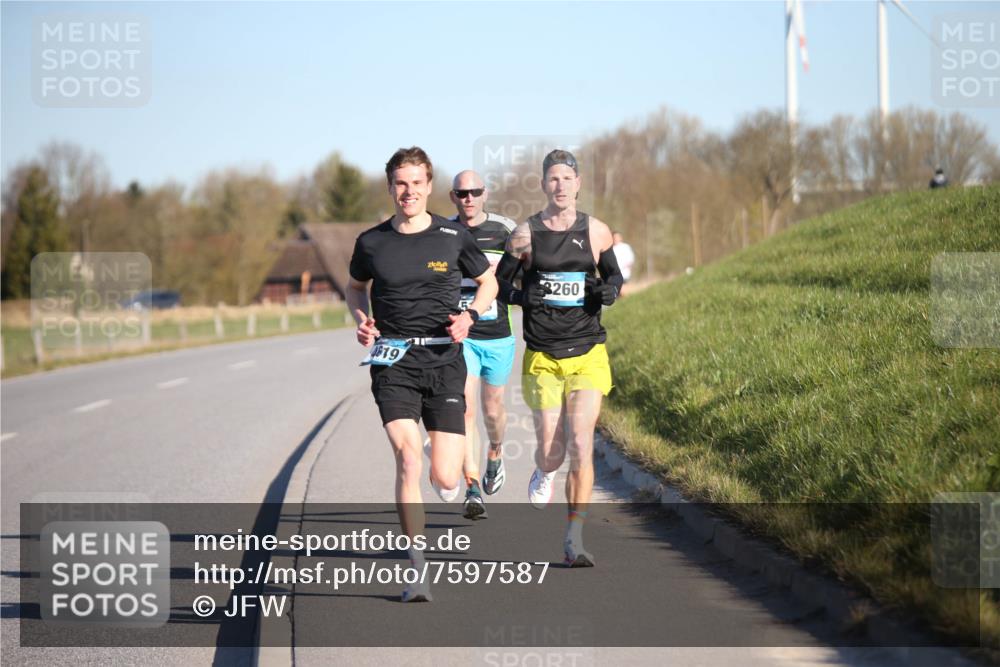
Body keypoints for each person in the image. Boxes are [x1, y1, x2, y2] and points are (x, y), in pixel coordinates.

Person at [346, 147, 497, 601]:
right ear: (390, 187)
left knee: (447, 479)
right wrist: (362, 320)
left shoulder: (452, 236)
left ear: (429, 186)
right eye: (400, 183)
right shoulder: (371, 242)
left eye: (416, 183)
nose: (408, 191)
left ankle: (441, 457)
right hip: (392, 361)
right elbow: (355, 288)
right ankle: (417, 570)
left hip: (444, 360)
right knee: (408, 460)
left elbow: (488, 282)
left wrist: (470, 315)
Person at [495, 149, 622, 567]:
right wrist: (522, 296)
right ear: (543, 184)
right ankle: (546, 470)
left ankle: (574, 538)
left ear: (578, 183)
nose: (561, 185)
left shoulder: (597, 231)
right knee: (553, 451)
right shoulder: (524, 234)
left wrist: (610, 291)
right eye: (553, 178)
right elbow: (499, 286)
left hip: (588, 352)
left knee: (582, 444)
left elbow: (614, 275)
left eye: (567, 178)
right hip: (544, 356)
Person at [449, 170, 518, 520]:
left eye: (475, 192)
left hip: (498, 335)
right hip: (462, 337)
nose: (469, 198)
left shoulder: (505, 230)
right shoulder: (444, 232)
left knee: (492, 411)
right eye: (462, 193)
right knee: (465, 409)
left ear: (485, 193)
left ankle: (496, 451)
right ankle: (472, 486)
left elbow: (527, 269)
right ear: (453, 197)